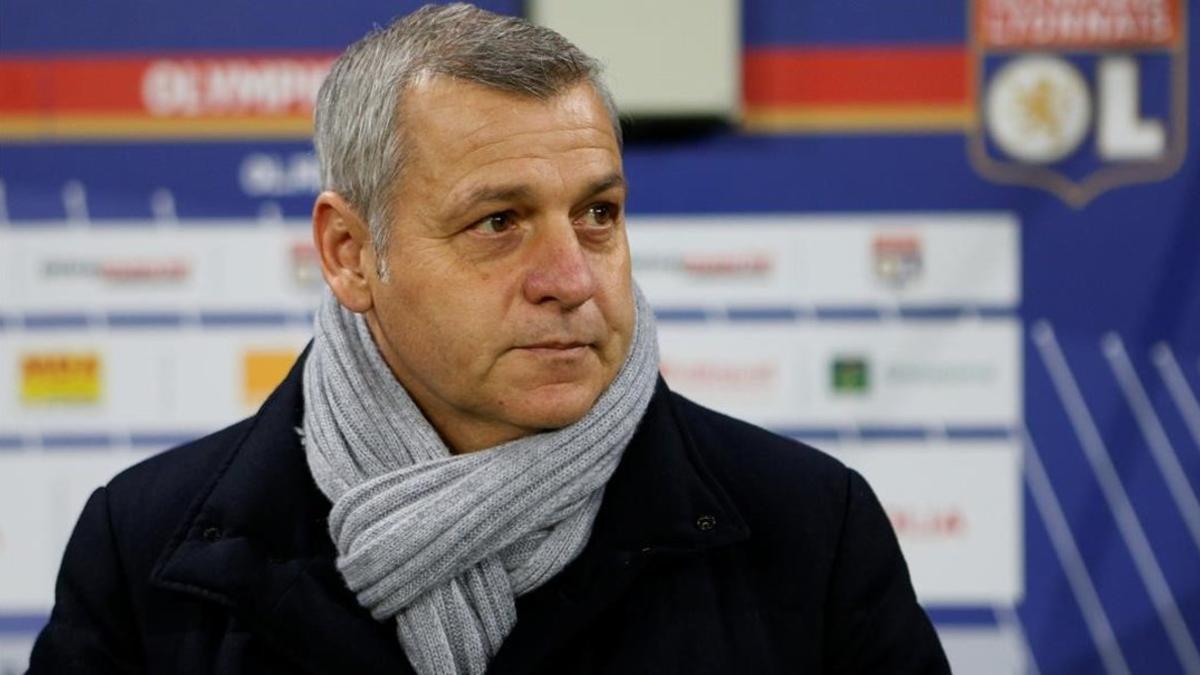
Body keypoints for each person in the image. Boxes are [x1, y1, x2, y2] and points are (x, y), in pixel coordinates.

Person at [29, 4, 949, 673]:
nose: (572, 277)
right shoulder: (145, 554)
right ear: (350, 254)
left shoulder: (808, 531)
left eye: (598, 213)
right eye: (499, 222)